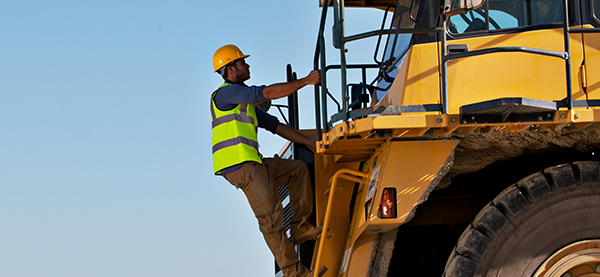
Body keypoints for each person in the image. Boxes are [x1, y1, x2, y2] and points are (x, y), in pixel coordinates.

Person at [210, 44, 327, 277]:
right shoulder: (225, 94)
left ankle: (300, 228)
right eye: (243, 62)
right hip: (242, 167)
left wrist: (308, 142)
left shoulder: (243, 104)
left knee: (297, 170)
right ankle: (296, 274)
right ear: (231, 69)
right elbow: (264, 93)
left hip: (254, 163)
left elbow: (275, 125)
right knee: (271, 221)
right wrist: (305, 81)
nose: (248, 65)